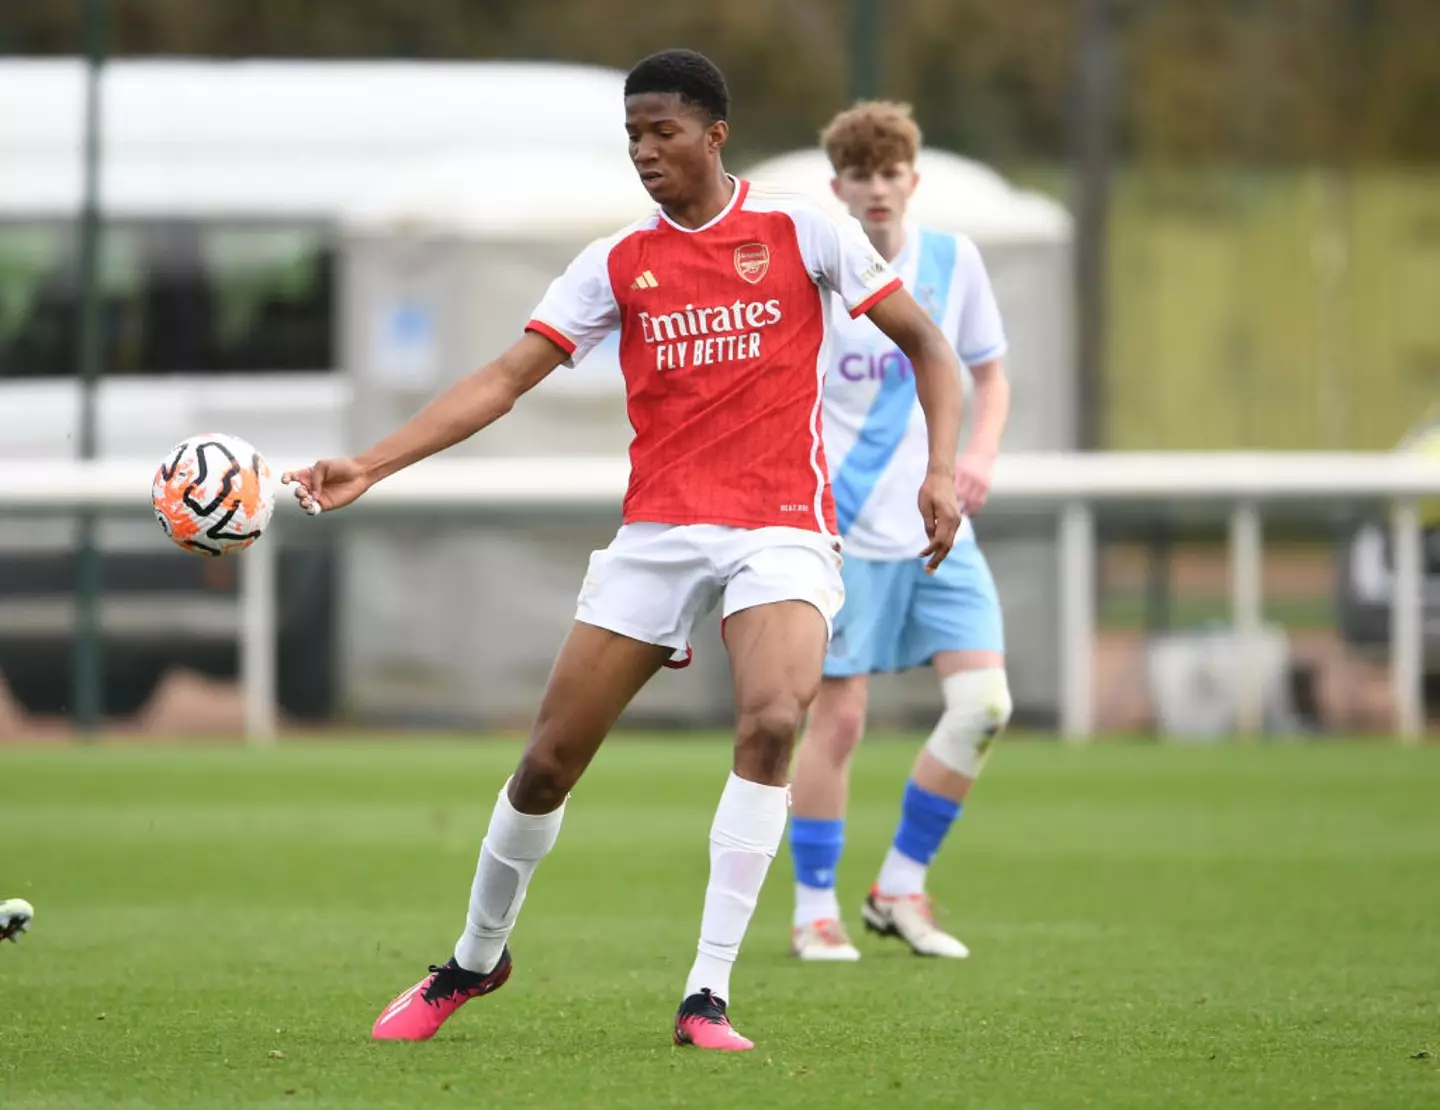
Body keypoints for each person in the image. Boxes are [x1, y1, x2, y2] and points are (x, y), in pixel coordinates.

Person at [282, 51, 966, 1051]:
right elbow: (505, 379)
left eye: (664, 132)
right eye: (633, 136)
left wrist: (941, 470)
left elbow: (931, 348)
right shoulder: (615, 262)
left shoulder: (803, 232)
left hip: (781, 524)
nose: (646, 151)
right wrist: (373, 465)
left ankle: (707, 993)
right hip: (659, 534)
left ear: (713, 134)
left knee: (775, 717)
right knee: (549, 764)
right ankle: (475, 957)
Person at [786, 101, 1014, 963]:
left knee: (984, 705)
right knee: (837, 723)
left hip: (938, 521)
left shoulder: (955, 263)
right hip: (839, 527)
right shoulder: (820, 267)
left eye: (891, 173)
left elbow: (989, 375)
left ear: (913, 180)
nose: (877, 188)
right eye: (861, 175)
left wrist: (976, 458)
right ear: (836, 185)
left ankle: (899, 887)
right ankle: (815, 908)